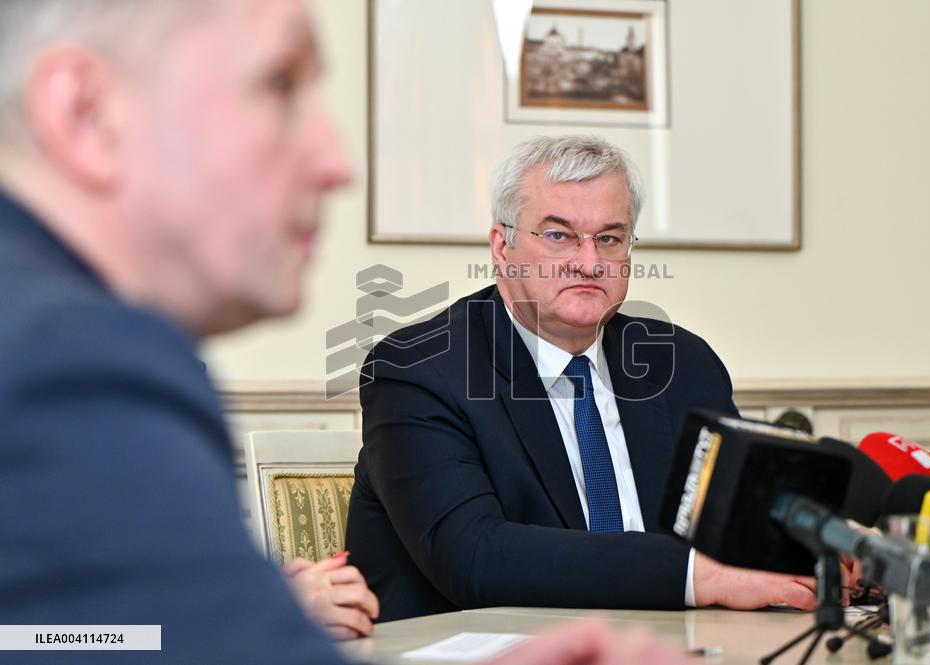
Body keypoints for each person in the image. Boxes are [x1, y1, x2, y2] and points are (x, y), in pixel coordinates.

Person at [0, 2, 689, 664]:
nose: (336, 161)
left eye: (611, 237)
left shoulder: (93, 342)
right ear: (84, 113)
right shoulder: (61, 361)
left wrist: (266, 609)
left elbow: (71, 634)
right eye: (278, 85)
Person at [346, 135, 821, 622]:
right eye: (558, 235)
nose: (589, 262)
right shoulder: (419, 370)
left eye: (609, 238)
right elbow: (475, 559)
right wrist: (701, 576)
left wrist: (817, 541)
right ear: (502, 247)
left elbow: (735, 523)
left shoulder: (681, 363)